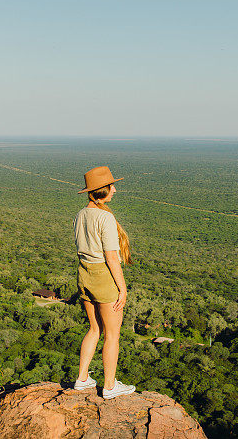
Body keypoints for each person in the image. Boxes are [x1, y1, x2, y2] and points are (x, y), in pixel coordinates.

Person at [72, 166, 135, 399]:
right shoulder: (105, 217)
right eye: (112, 186)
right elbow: (111, 257)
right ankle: (109, 386)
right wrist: (122, 289)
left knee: (94, 328)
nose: (115, 190)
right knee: (112, 335)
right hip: (103, 277)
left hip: (84, 275)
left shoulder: (80, 214)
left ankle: (83, 378)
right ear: (103, 190)